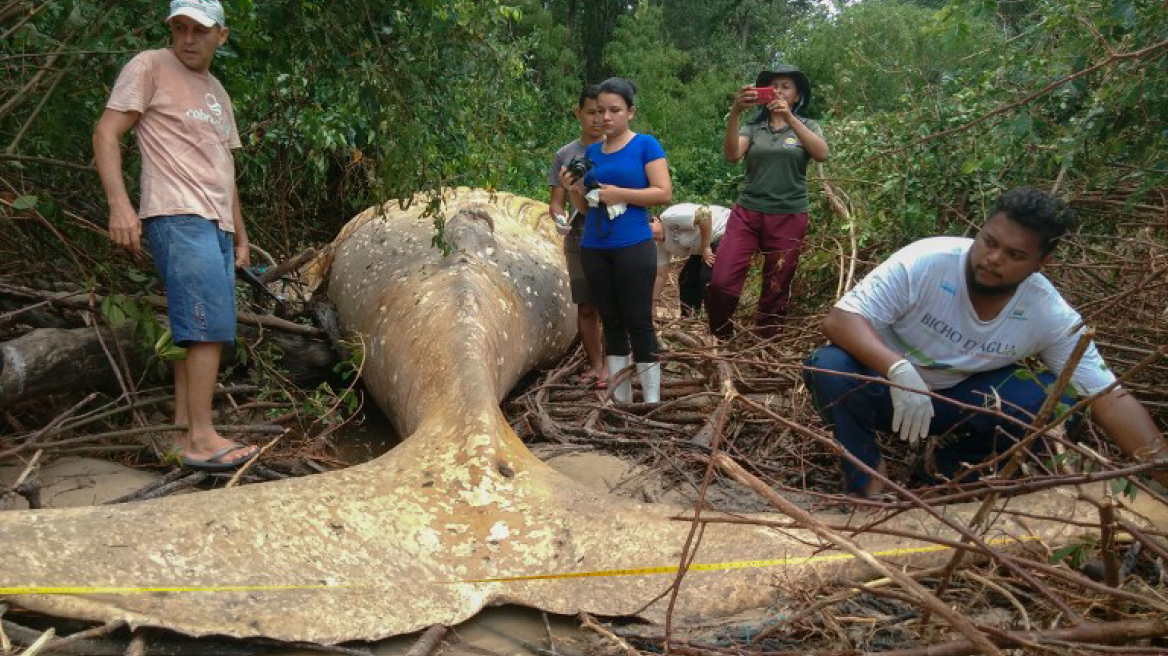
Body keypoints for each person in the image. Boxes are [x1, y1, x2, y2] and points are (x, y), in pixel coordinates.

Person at [803, 187, 1168, 497]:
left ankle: (949, 477)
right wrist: (897, 368)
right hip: (886, 390)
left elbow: (1108, 397)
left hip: (959, 401)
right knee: (829, 367)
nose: (993, 259)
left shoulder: (1046, 312)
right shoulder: (927, 262)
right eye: (989, 242)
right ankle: (866, 476)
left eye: (1015, 255)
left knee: (1061, 402)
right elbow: (840, 320)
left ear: (1042, 262)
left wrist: (1162, 470)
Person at [93, 0, 258, 471]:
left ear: (220, 36)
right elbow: (107, 132)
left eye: (199, 30)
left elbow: (225, 171)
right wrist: (119, 204)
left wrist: (241, 238)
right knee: (208, 330)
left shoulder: (217, 93)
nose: (188, 38)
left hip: (216, 224)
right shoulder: (149, 66)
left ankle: (185, 428)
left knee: (195, 326)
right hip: (176, 213)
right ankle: (203, 439)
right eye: (179, 28)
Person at [560, 77, 672, 403]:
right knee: (611, 322)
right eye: (599, 111)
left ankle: (651, 400)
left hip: (634, 243)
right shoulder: (592, 152)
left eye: (614, 110)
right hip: (594, 245)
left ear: (630, 112)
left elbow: (663, 192)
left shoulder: (645, 145)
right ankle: (621, 398)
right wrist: (574, 188)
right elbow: (584, 207)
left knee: (639, 320)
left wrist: (619, 194)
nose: (606, 117)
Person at [707, 65, 829, 340]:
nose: (779, 91)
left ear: (797, 96)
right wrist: (736, 112)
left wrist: (790, 118)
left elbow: (821, 153)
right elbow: (731, 155)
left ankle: (765, 347)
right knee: (721, 281)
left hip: (789, 216)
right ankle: (720, 337)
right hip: (747, 213)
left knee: (776, 287)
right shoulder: (754, 127)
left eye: (786, 86)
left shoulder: (808, 125)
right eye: (774, 86)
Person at [548, 85, 607, 389]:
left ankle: (615, 364)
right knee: (586, 304)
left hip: (613, 230)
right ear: (578, 113)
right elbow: (557, 201)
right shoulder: (565, 154)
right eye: (592, 112)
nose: (598, 119)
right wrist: (559, 219)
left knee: (614, 302)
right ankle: (596, 364)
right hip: (580, 232)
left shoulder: (619, 147)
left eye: (604, 111)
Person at [650, 203, 731, 317]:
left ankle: (716, 319)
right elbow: (660, 274)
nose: (650, 235)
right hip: (703, 245)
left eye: (649, 229)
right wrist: (653, 303)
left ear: (655, 220)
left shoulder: (669, 218)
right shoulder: (659, 245)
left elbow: (704, 214)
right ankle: (691, 317)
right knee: (686, 279)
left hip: (724, 229)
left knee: (707, 276)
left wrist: (705, 247)